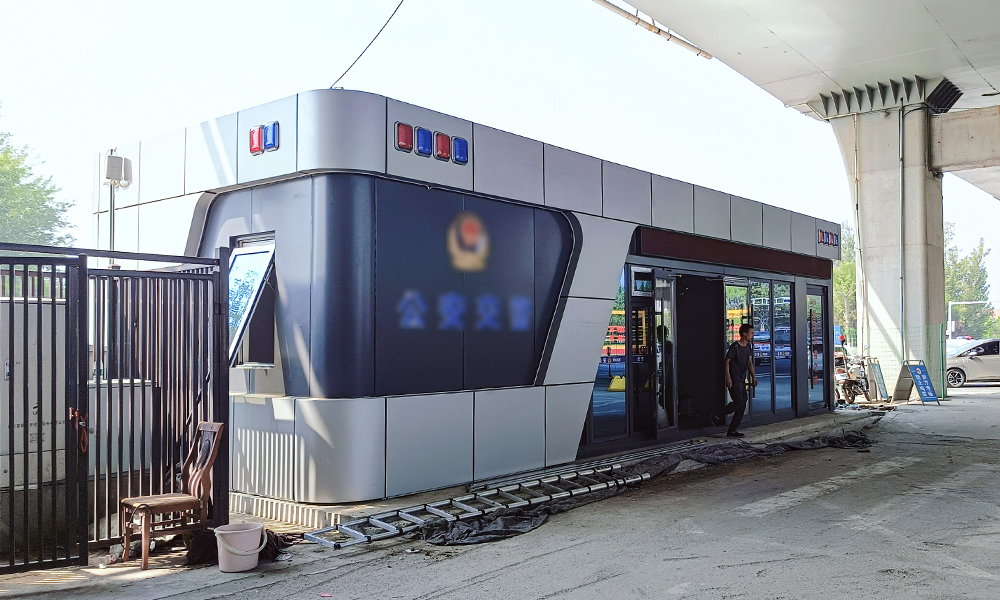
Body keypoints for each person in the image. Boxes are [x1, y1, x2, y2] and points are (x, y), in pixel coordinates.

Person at [714, 323, 757, 437]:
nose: (752, 335)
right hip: (734, 378)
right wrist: (728, 377)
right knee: (738, 401)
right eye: (751, 333)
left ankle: (732, 430)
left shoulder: (748, 346)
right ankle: (718, 414)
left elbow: (749, 362)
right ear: (744, 334)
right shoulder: (735, 347)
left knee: (743, 403)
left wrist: (753, 376)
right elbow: (727, 361)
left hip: (742, 379)